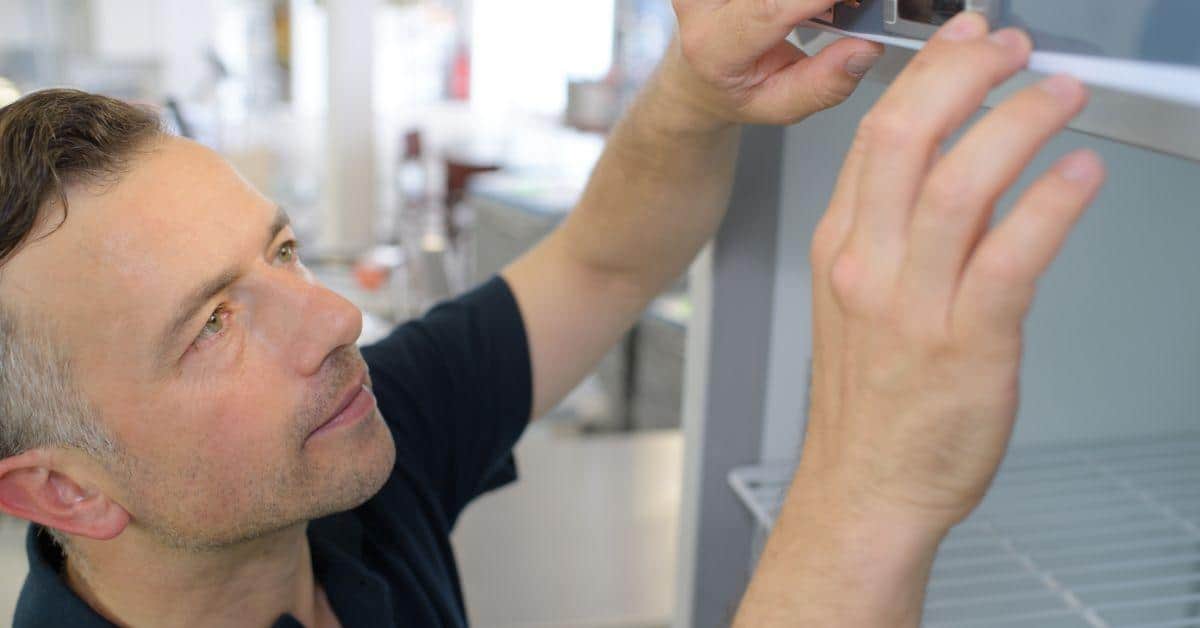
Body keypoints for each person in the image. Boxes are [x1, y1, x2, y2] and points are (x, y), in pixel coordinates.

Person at [0, 1, 1103, 626]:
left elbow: (605, 263)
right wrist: (868, 493)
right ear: (60, 488)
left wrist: (695, 83)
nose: (332, 317)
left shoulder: (343, 467)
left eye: (280, 249)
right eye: (211, 325)